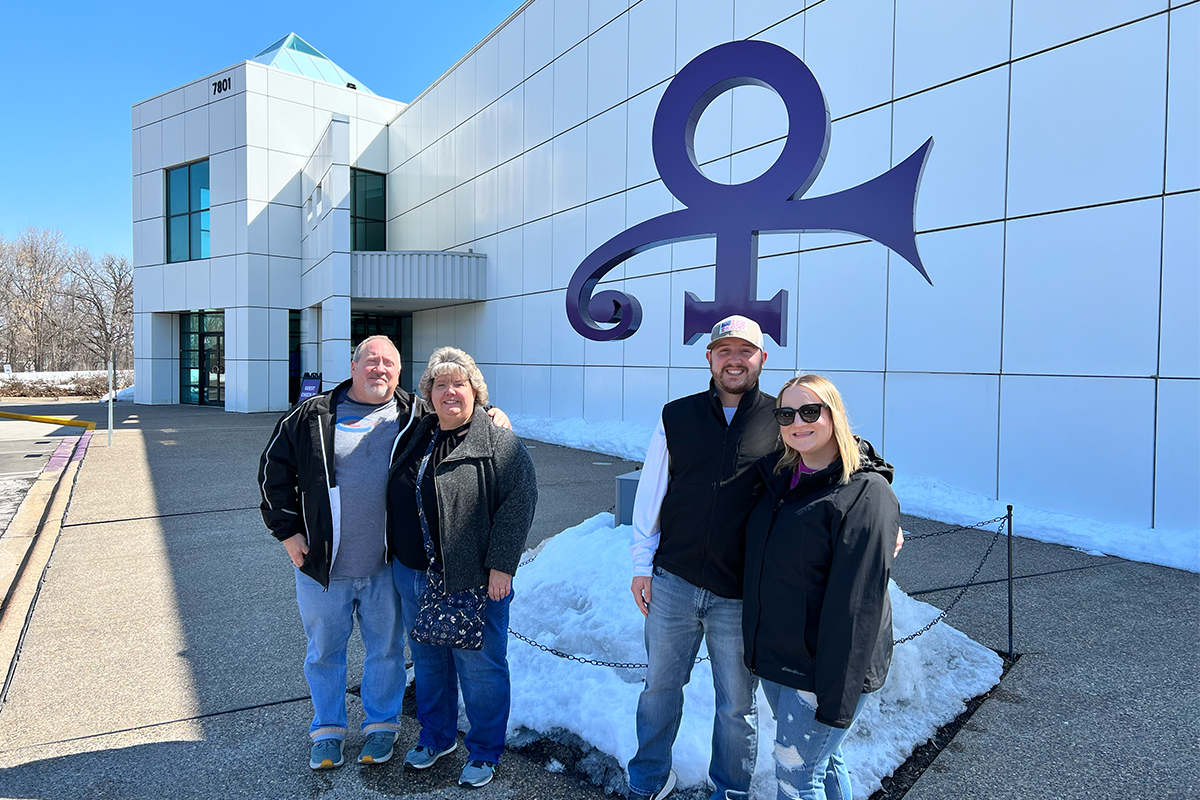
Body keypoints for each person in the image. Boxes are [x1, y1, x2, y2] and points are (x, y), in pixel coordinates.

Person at [258, 335, 508, 770]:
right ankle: (328, 731)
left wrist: (490, 415)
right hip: (323, 566)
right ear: (353, 367)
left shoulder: (414, 413)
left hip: (385, 567)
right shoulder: (311, 416)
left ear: (399, 371)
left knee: (387, 652)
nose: (380, 369)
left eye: (389, 363)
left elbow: (459, 409)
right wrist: (288, 533)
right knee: (323, 653)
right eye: (371, 361)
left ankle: (381, 727)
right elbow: (272, 474)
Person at [626, 315, 781, 800]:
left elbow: (835, 465)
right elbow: (652, 491)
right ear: (709, 358)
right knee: (658, 692)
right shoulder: (677, 414)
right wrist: (640, 563)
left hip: (739, 591)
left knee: (737, 705)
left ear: (762, 358)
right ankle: (649, 779)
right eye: (724, 351)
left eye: (745, 351)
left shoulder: (783, 419)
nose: (734, 360)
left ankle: (731, 791)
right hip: (674, 579)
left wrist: (880, 507)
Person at [742, 374, 899, 800]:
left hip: (821, 667)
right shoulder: (780, 479)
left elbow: (858, 606)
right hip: (777, 654)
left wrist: (835, 693)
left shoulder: (866, 493)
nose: (798, 422)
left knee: (796, 776)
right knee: (822, 764)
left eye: (811, 411)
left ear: (835, 416)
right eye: (787, 413)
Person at [387, 346, 537, 789]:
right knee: (430, 662)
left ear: (476, 390)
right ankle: (436, 737)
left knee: (481, 668)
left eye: (459, 383)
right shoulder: (418, 432)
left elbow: (519, 503)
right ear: (427, 393)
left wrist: (502, 567)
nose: (450, 391)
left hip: (473, 579)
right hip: (414, 572)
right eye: (440, 384)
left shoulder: (496, 439)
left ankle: (486, 749)